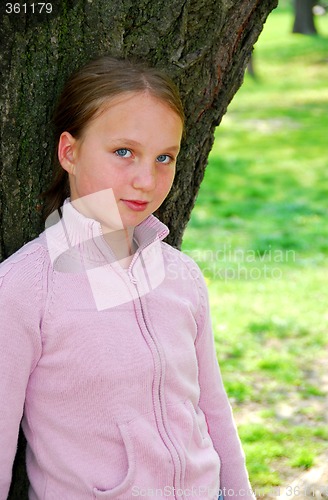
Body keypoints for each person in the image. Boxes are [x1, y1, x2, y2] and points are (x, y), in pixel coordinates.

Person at [0, 56, 255, 500]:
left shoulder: (182, 276)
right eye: (124, 152)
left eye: (164, 157)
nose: (146, 180)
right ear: (70, 152)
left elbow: (212, 411)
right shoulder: (25, 288)